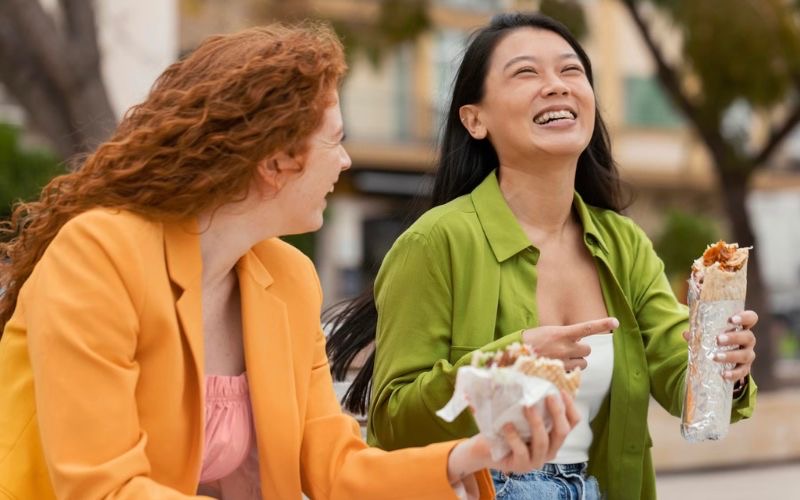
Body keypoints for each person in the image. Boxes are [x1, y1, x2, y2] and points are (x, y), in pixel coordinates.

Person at [0, 22, 582, 500]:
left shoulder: (287, 277)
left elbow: (332, 465)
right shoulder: (98, 256)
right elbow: (102, 486)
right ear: (276, 161)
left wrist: (471, 455)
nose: (347, 160)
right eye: (336, 140)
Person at [327, 12, 758, 500]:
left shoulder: (624, 244)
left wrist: (726, 368)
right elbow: (393, 420)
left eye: (571, 71)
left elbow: (678, 377)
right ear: (475, 119)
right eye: (526, 73)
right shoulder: (435, 243)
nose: (556, 86)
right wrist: (509, 363)